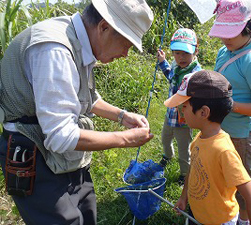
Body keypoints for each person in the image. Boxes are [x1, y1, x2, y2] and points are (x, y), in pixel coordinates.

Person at [0, 0, 154, 224]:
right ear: (104, 27)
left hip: (65, 157)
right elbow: (61, 136)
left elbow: (84, 98)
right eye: (127, 44)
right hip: (34, 154)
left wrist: (122, 116)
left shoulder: (80, 43)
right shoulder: (54, 50)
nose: (125, 54)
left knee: (87, 214)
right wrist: (125, 139)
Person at [165, 70, 251, 225]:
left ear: (203, 112)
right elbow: (193, 169)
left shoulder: (223, 151)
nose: (181, 110)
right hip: (197, 214)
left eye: (184, 106)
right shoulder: (199, 138)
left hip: (219, 221)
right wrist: (184, 197)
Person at [208, 0, 251, 224]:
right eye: (222, 32)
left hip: (242, 135)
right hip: (221, 129)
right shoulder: (224, 51)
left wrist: (229, 105)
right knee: (222, 176)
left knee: (242, 182)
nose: (225, 39)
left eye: (231, 33)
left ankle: (244, 220)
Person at [156, 28, 202, 185]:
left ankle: (185, 174)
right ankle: (167, 156)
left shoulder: (195, 73)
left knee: (184, 149)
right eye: (177, 53)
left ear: (195, 51)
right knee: (165, 138)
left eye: (185, 53)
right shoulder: (176, 66)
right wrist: (163, 62)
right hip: (170, 115)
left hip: (183, 119)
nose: (181, 57)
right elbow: (170, 77)